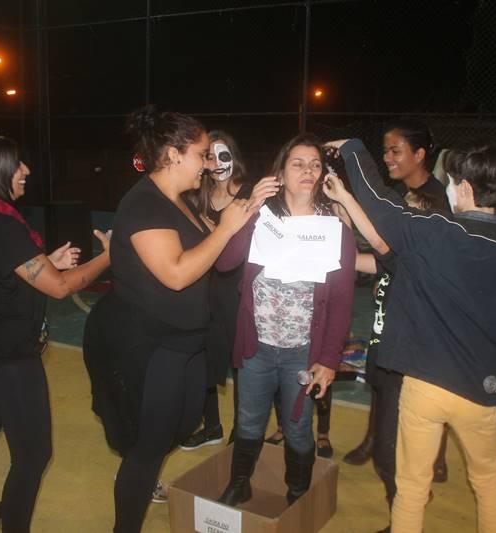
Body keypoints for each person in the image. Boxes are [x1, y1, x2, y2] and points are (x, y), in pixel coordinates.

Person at [330, 137, 496, 533]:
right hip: (479, 388)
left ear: (465, 188)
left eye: (453, 182)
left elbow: (379, 201)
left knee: (411, 485)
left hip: (425, 386)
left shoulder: (434, 232)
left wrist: (353, 150)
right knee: (488, 480)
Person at [82, 107, 266, 533]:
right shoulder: (144, 206)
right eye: (201, 154)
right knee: (148, 446)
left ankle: (142, 466)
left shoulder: (179, 203)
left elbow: (215, 255)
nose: (207, 163)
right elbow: (178, 274)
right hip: (151, 344)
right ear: (172, 155)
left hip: (187, 340)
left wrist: (245, 212)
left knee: (181, 426)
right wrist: (225, 229)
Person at [0, 136, 111, 533]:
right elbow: (60, 287)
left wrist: (46, 262)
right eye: (17, 164)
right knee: (33, 454)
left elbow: (3, 272)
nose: (26, 170)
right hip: (8, 355)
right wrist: (109, 258)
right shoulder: (2, 225)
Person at [216, 133, 356, 507]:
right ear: (280, 172)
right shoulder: (261, 216)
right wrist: (250, 210)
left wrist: (328, 359)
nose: (307, 170)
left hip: (303, 352)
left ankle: (297, 492)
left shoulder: (335, 228)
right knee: (248, 421)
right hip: (256, 346)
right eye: (298, 163)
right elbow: (225, 262)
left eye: (315, 164)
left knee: (297, 427)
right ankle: (240, 483)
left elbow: (342, 301)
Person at [323, 171, 450, 532]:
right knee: (393, 452)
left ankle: (404, 521)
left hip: (405, 370)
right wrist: (342, 218)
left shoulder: (418, 260)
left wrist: (347, 199)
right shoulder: (396, 259)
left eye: (406, 210)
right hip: (383, 361)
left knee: (387, 456)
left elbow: (378, 244)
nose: (398, 216)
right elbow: (351, 258)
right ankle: (407, 507)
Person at [180, 131, 253, 450]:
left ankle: (242, 430)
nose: (219, 162)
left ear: (235, 158)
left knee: (241, 363)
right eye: (211, 156)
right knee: (204, 358)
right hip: (203, 289)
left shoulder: (249, 196)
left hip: (238, 290)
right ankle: (212, 426)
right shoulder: (196, 197)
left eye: (225, 155)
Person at [382, 118, 447, 203]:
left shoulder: (436, 199)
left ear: (419, 155)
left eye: (395, 151)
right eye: (385, 151)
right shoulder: (397, 191)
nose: (386, 158)